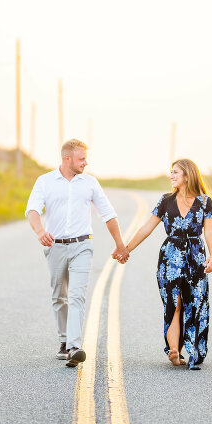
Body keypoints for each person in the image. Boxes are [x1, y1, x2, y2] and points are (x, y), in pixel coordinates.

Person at [26, 139, 126, 367]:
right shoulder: (45, 181)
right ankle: (63, 341)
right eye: (81, 159)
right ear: (67, 159)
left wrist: (120, 244)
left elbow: (108, 214)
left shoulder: (90, 183)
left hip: (82, 245)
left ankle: (73, 346)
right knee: (59, 296)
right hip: (55, 246)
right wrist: (40, 231)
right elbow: (32, 210)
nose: (86, 163)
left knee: (77, 295)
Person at [121, 158, 212, 370]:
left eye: (175, 172)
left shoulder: (204, 202)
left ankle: (193, 349)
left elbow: (209, 230)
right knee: (174, 304)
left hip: (196, 258)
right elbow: (147, 228)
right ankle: (174, 350)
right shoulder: (166, 200)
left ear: (187, 175)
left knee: (195, 304)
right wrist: (126, 249)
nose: (171, 176)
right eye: (171, 172)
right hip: (170, 258)